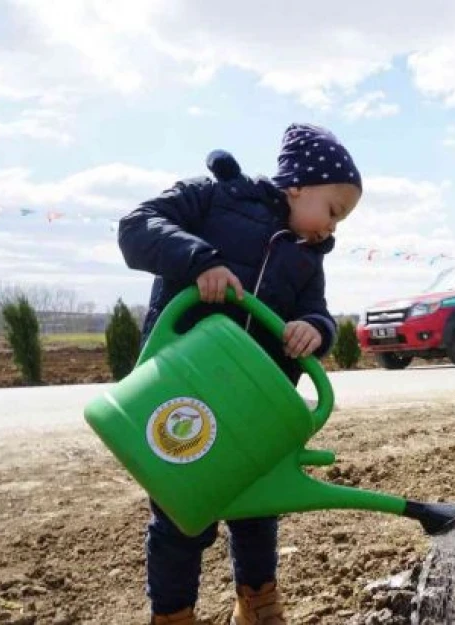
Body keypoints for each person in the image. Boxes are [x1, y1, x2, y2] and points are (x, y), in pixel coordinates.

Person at [117, 123, 363, 625]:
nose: (333, 228)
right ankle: (174, 614)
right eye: (334, 211)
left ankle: (257, 602)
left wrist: (314, 330)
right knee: (180, 512)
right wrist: (198, 261)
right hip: (183, 391)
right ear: (297, 184)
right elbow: (137, 227)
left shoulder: (307, 259)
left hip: (253, 405)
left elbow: (316, 311)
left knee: (256, 507)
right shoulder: (212, 200)